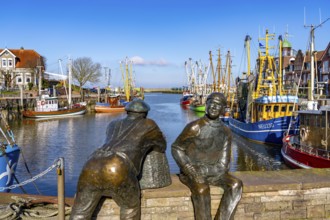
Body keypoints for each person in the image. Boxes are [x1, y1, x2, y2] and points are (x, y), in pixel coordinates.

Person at [70, 99, 168, 220]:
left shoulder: (113, 124)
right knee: (130, 208)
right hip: (118, 166)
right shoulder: (149, 124)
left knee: (80, 213)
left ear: (127, 112)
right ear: (145, 114)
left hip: (91, 164)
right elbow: (161, 146)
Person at [172, 92, 242, 220]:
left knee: (236, 184)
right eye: (211, 103)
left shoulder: (226, 132)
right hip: (192, 172)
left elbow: (224, 163)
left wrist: (210, 170)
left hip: (214, 172)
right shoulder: (195, 127)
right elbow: (177, 148)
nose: (214, 107)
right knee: (202, 189)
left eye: (218, 105)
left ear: (223, 109)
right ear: (206, 105)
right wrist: (187, 167)